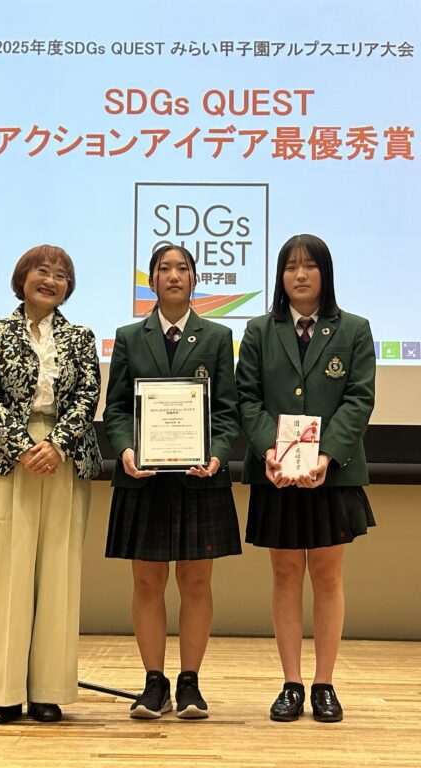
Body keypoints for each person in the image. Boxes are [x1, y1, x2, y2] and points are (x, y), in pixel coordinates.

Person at [235, 234, 376, 723]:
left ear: (324, 274)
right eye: (290, 266)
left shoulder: (354, 329)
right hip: (276, 473)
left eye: (309, 266)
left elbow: (359, 398)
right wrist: (269, 450)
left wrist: (327, 454)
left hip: (330, 475)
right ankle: (291, 683)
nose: (299, 275)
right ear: (280, 276)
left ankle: (324, 685)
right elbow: (247, 399)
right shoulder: (259, 330)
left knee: (328, 576)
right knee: (285, 574)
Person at [103, 243, 242, 720]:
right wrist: (126, 450)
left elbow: (227, 412)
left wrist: (217, 455)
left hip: (200, 479)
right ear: (152, 280)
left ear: (195, 279)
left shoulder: (218, 336)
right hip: (142, 478)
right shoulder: (129, 336)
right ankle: (153, 683)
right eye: (164, 268)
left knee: (196, 582)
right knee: (147, 581)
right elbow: (116, 409)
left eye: (183, 268)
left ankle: (190, 684)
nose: (174, 275)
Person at [0, 244, 102, 724]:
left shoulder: (81, 337)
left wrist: (57, 444)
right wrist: (23, 445)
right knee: (7, 573)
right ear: (22, 278)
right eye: (42, 271)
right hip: (7, 458)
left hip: (63, 458)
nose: (51, 280)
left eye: (61, 275)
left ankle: (49, 690)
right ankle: (4, 693)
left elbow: (88, 395)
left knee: (58, 573)